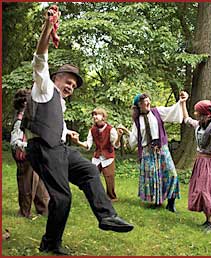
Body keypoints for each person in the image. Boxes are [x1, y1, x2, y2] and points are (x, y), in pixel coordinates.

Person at [21, 6, 133, 255]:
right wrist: (48, 27)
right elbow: (40, 58)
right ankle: (51, 244)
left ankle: (107, 217)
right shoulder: (44, 87)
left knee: (89, 172)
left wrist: (66, 132)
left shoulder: (59, 101)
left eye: (74, 85)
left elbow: (51, 122)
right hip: (43, 149)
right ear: (56, 77)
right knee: (62, 198)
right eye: (68, 82)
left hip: (59, 148)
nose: (71, 87)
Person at [118, 91, 188, 212]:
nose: (148, 102)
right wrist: (125, 132)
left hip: (162, 149)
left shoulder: (157, 112)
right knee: (153, 177)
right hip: (147, 151)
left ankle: (171, 204)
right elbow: (134, 140)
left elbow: (173, 111)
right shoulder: (137, 121)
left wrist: (181, 102)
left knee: (172, 173)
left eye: (148, 100)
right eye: (144, 101)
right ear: (139, 105)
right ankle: (156, 201)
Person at [10, 88, 49, 219]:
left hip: (35, 152)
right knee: (27, 182)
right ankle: (24, 212)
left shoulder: (30, 117)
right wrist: (28, 146)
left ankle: (44, 209)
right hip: (24, 154)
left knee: (39, 182)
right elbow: (15, 141)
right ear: (24, 103)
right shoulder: (19, 120)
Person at [71, 107, 120, 202]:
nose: (94, 116)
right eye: (93, 115)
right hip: (97, 157)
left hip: (108, 157)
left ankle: (111, 197)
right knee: (91, 176)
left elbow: (116, 145)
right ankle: (93, 195)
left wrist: (119, 137)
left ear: (103, 116)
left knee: (109, 178)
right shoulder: (92, 130)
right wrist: (78, 142)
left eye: (97, 114)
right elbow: (88, 145)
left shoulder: (111, 129)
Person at [182, 98, 211, 232]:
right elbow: (186, 118)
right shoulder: (199, 125)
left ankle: (210, 222)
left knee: (205, 190)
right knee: (201, 190)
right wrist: (183, 102)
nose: (198, 117)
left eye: (200, 114)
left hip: (210, 161)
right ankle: (209, 219)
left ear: (207, 115)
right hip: (200, 161)